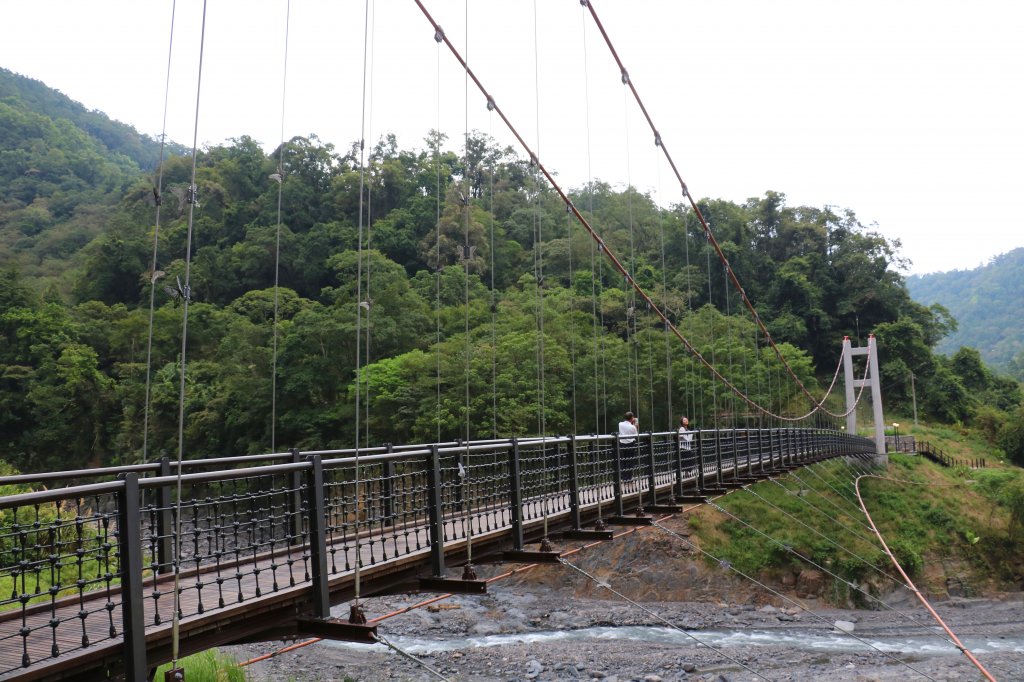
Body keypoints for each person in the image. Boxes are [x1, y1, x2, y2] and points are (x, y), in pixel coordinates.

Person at [618, 411, 639, 480]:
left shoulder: (620, 424)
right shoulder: (632, 427)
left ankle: (622, 477)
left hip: (622, 444)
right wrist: (636, 423)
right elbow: (636, 435)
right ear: (632, 418)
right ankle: (628, 478)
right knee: (629, 461)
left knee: (622, 461)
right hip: (630, 444)